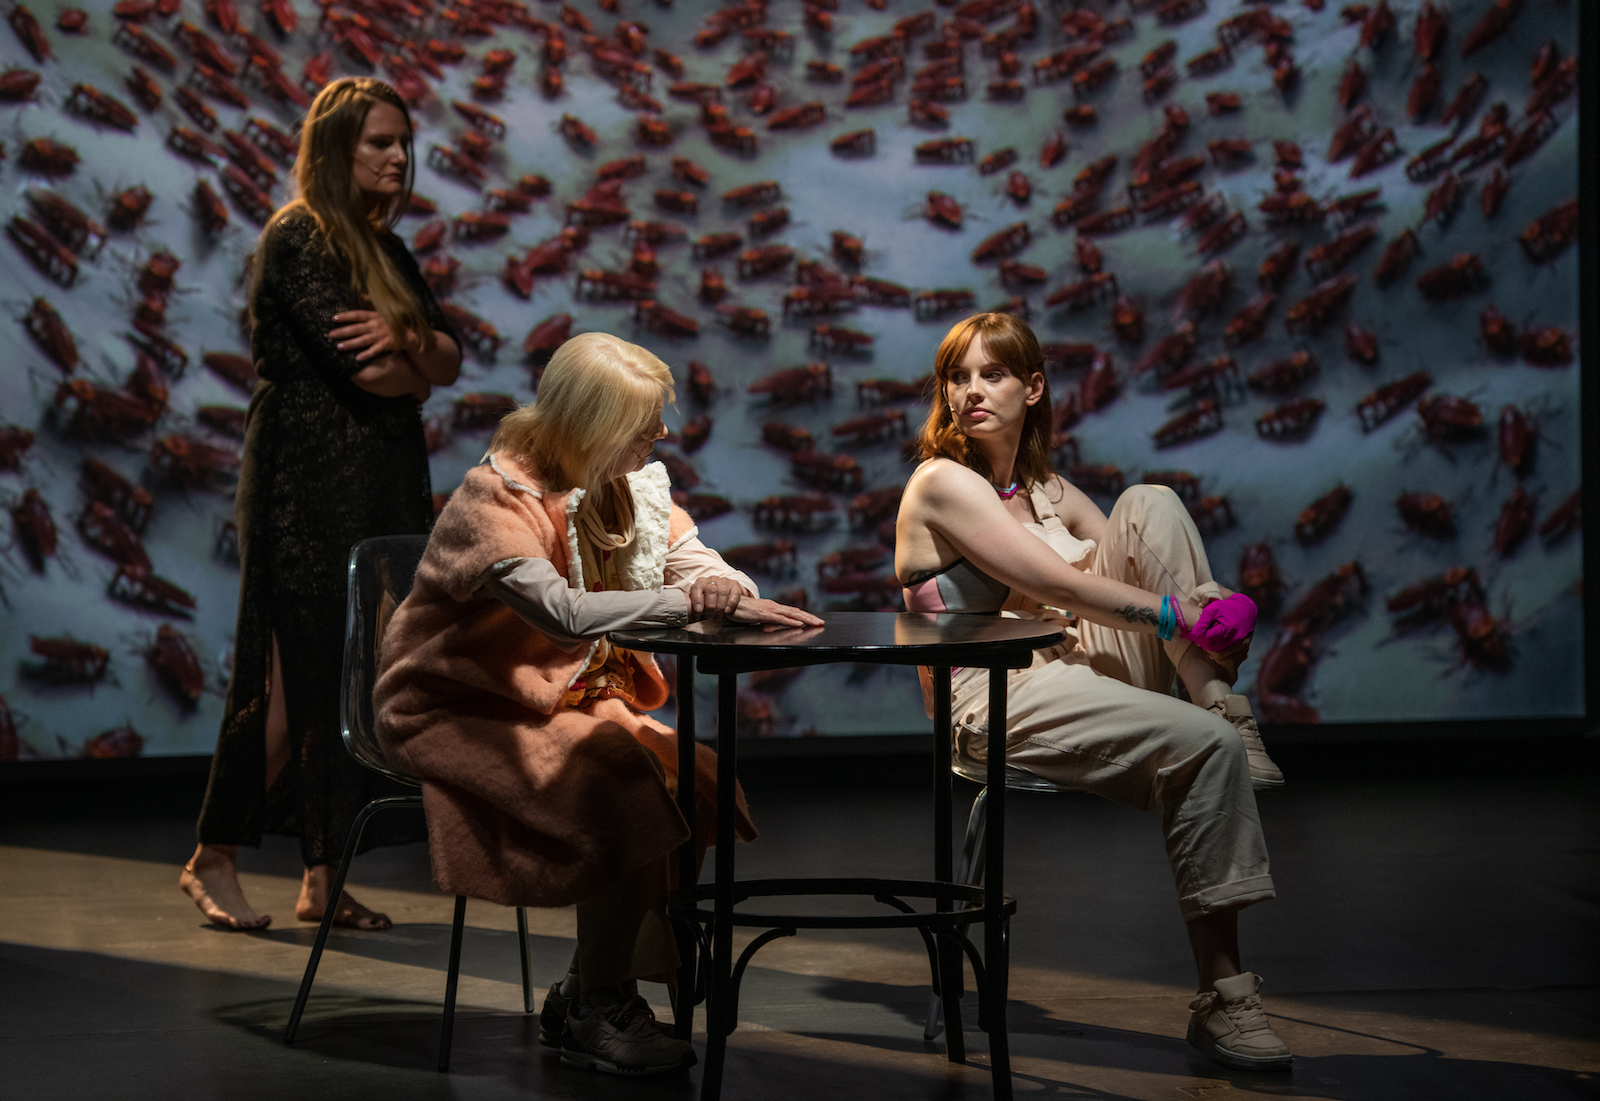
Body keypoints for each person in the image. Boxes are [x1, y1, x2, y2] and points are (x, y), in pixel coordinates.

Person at [372, 332, 823, 1076]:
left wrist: (726, 587)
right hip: (458, 705)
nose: (663, 433)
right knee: (622, 783)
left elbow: (699, 563)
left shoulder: (623, 484)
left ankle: (585, 991)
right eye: (644, 421)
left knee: (689, 777)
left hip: (569, 700)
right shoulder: (497, 496)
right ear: (593, 423)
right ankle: (604, 1002)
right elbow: (563, 614)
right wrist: (686, 602)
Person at [896, 312, 1291, 1071]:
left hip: (1083, 662)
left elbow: (1135, 573)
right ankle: (1225, 997)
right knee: (1206, 749)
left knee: (1151, 502)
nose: (970, 391)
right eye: (957, 377)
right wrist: (1184, 616)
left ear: (1032, 388)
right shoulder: (941, 482)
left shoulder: (1048, 489)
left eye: (992, 374)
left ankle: (1220, 703)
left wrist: (1208, 604)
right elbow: (1063, 586)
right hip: (998, 693)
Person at [181, 77, 462, 933]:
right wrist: (413, 361)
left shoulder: (386, 248)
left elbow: (449, 357)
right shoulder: (298, 236)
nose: (398, 156)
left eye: (403, 142)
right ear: (337, 149)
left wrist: (410, 341)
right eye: (379, 141)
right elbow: (369, 372)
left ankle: (323, 875)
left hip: (377, 482)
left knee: (351, 681)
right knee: (285, 683)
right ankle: (212, 856)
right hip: (303, 486)